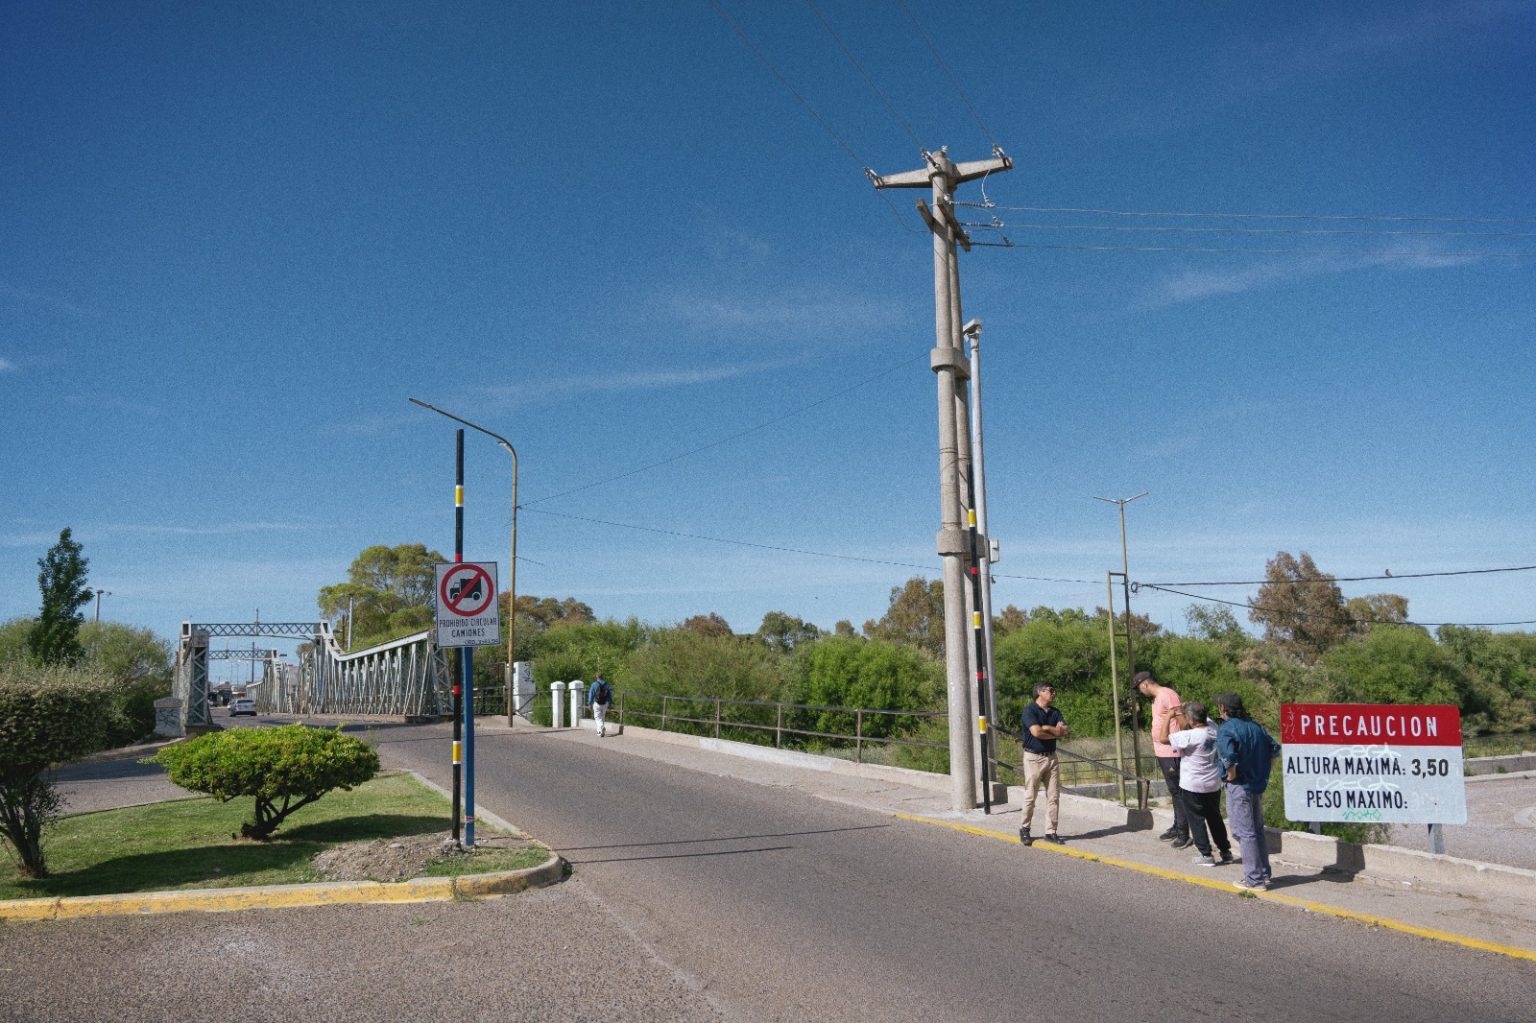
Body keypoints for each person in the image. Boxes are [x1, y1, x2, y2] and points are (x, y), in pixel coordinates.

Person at [1214, 692, 1282, 890]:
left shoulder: (1226, 729)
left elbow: (1228, 756)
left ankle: (1254, 879)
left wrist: (1231, 774)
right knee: (1257, 830)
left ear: (1222, 708)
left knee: (1244, 832)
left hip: (1239, 786)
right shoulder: (1255, 726)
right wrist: (1264, 771)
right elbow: (1274, 749)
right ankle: (1264, 873)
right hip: (1256, 785)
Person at [1168, 701, 1233, 867]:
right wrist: (1187, 709)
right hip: (1213, 783)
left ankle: (1206, 854)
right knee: (1215, 818)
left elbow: (1162, 738)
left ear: (1190, 719)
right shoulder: (1214, 730)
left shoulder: (1189, 736)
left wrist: (1169, 716)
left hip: (1193, 785)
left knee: (1196, 820)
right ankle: (1225, 851)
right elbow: (1204, 717)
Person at [1132, 670, 1191, 847]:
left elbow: (1183, 724)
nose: (1140, 692)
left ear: (1145, 684)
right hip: (1163, 752)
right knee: (1174, 792)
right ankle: (1177, 826)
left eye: (1139, 688)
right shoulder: (1157, 699)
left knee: (1178, 793)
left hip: (1172, 751)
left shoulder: (1168, 695)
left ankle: (1184, 832)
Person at [1019, 682, 1069, 847]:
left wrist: (1047, 727)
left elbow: (1065, 732)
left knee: (1053, 796)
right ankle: (1025, 829)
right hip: (1033, 758)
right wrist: (1054, 731)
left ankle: (1050, 832)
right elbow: (1036, 732)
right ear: (1040, 692)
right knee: (1030, 795)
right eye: (1051, 690)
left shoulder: (1055, 712)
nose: (1054, 693)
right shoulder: (1030, 711)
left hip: (1052, 758)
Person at [587, 673, 613, 738]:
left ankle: (601, 727)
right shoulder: (606, 684)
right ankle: (600, 732)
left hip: (597, 703)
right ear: (602, 677)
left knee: (597, 717)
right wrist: (610, 703)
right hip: (605, 703)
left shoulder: (594, 684)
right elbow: (610, 695)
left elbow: (591, 694)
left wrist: (590, 703)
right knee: (602, 717)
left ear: (597, 677)